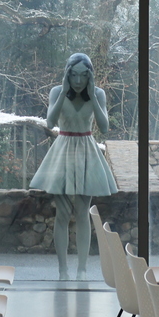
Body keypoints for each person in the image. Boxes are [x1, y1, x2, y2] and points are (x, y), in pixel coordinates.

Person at [30, 52, 115, 278]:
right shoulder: (57, 92)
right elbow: (50, 122)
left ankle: (82, 269)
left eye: (83, 76)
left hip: (86, 148)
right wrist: (63, 88)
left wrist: (93, 94)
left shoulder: (97, 93)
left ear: (90, 76)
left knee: (82, 212)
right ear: (68, 74)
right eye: (74, 75)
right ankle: (63, 270)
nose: (78, 81)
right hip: (64, 148)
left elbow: (104, 127)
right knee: (62, 214)